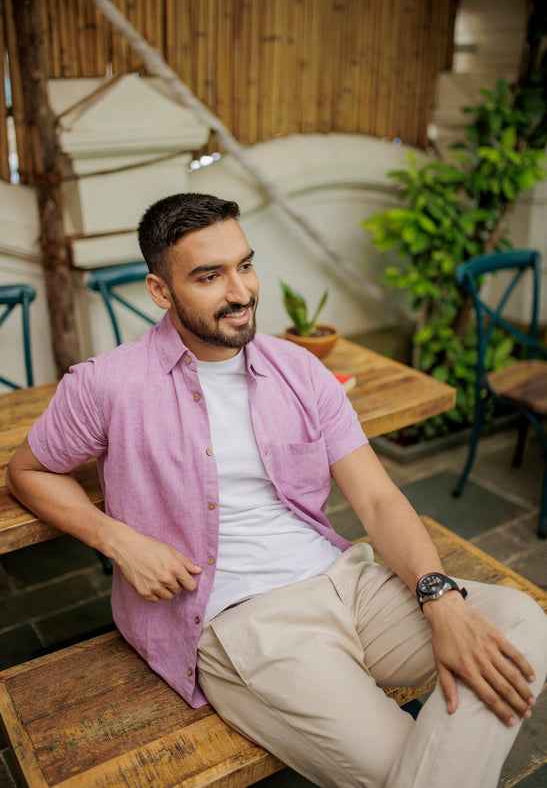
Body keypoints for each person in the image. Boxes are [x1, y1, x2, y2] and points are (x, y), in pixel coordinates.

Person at [6, 193, 547, 788]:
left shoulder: (298, 369)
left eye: (245, 265)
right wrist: (119, 541)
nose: (240, 291)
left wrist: (438, 596)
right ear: (160, 291)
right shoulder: (107, 384)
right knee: (407, 768)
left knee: (522, 622)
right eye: (209, 276)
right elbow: (28, 471)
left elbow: (378, 500)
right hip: (245, 621)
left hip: (346, 582)